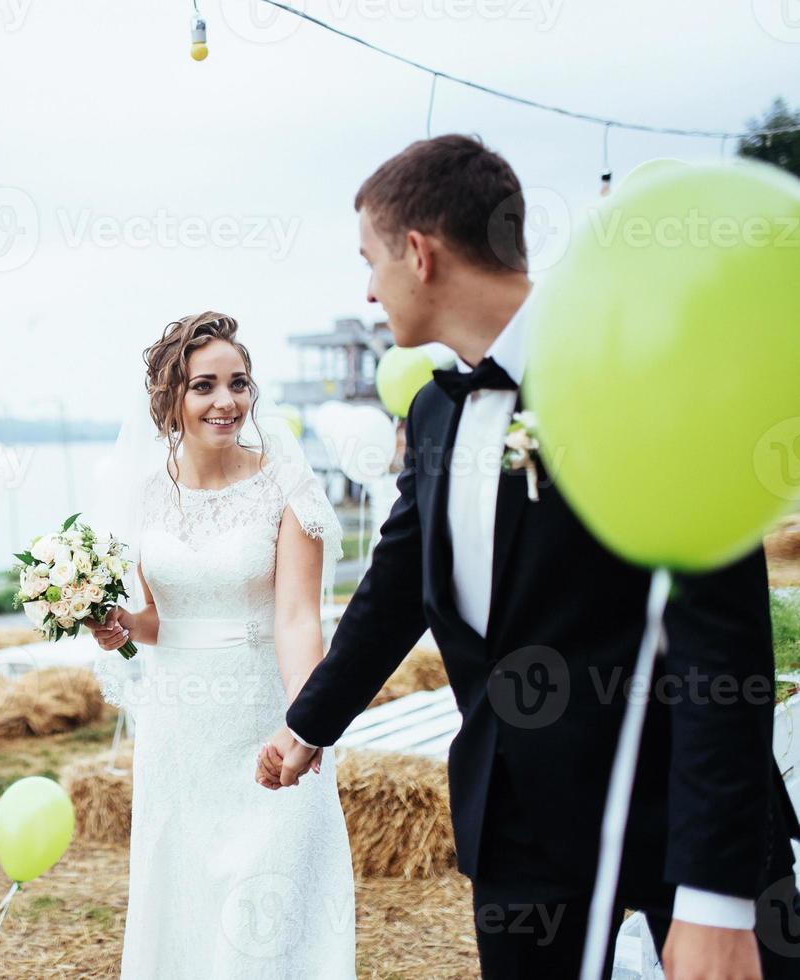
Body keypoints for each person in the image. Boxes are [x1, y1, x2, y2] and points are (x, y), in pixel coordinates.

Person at [257, 134, 800, 979]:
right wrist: (306, 726)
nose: (367, 292)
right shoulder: (437, 415)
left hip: (676, 818)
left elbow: (719, 640)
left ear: (417, 253)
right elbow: (397, 586)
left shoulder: (642, 372)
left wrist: (715, 896)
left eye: (369, 261)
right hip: (516, 823)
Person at [89, 311, 355, 977]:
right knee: (186, 899)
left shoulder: (288, 488)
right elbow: (161, 619)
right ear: (169, 399)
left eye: (237, 383)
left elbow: (297, 619)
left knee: (266, 901)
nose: (226, 401)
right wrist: (119, 623)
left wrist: (306, 725)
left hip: (264, 719)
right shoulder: (145, 496)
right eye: (203, 385)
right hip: (178, 730)